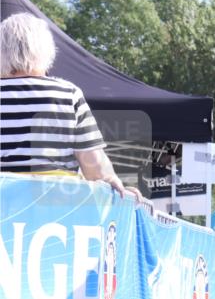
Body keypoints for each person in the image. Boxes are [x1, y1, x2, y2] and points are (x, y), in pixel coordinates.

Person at [0, 13, 129, 197]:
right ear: (46, 50)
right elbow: (96, 170)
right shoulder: (68, 94)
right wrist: (114, 184)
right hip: (55, 212)